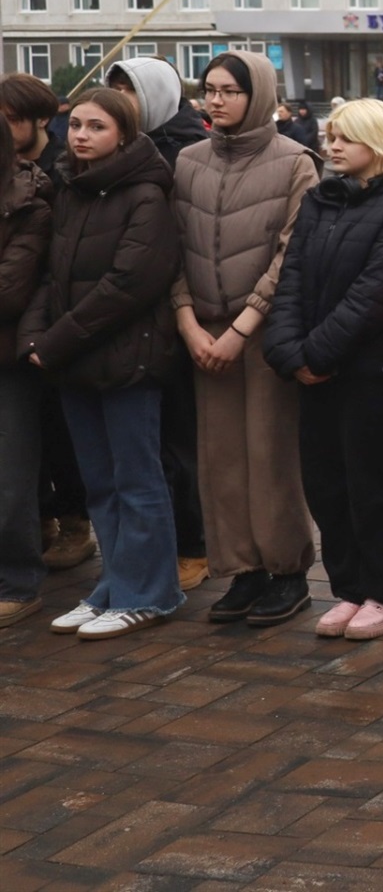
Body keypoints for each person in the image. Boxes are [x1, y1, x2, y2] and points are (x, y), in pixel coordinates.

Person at [20, 88, 181, 639]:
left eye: (97, 127)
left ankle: (149, 594)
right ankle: (113, 586)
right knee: (99, 483)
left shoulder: (146, 192)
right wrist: (35, 338)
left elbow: (129, 284)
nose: (81, 136)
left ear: (125, 134)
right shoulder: (71, 188)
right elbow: (50, 274)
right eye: (76, 125)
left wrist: (55, 341)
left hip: (128, 359)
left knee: (137, 480)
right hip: (75, 361)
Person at [262, 100, 383, 641]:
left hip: (371, 373)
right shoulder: (321, 198)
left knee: (371, 484)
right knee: (325, 485)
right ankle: (349, 589)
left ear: (376, 142)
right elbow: (291, 277)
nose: (332, 146)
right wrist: (291, 354)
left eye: (345, 138)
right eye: (331, 136)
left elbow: (374, 292)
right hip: (316, 370)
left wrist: (317, 355)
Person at [171, 51, 321, 626]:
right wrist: (187, 321)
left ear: (257, 94)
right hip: (203, 333)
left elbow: (291, 252)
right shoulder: (188, 160)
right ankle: (242, 570)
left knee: (270, 453)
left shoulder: (294, 162)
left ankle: (287, 572)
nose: (216, 100)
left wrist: (243, 326)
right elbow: (171, 247)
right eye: (209, 89)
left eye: (230, 91)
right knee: (220, 458)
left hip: (262, 333)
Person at [107, 57, 213, 592]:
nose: (121, 99)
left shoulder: (185, 153)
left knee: (179, 436)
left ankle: (194, 543)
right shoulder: (118, 149)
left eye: (129, 89)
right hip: (130, 316)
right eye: (114, 88)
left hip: (180, 310)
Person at [1, 75, 90, 575]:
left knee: (57, 431)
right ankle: (39, 519)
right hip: (13, 325)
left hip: (48, 316)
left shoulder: (56, 170)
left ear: (38, 120)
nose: (6, 127)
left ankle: (74, 520)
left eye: (13, 118)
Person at [0, 115, 52, 630]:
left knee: (10, 478)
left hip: (8, 359)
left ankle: (17, 582)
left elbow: (10, 290)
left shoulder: (29, 203)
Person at [107, 58, 211, 168]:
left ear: (158, 96)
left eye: (132, 90)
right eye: (116, 90)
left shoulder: (192, 155)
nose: (120, 97)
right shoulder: (111, 142)